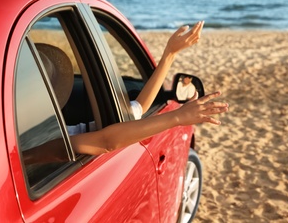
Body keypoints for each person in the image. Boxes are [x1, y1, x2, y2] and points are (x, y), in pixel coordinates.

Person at [23, 21, 229, 164]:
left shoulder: (26, 130)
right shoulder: (44, 139)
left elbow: (137, 110)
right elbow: (106, 142)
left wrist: (170, 55)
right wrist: (177, 117)